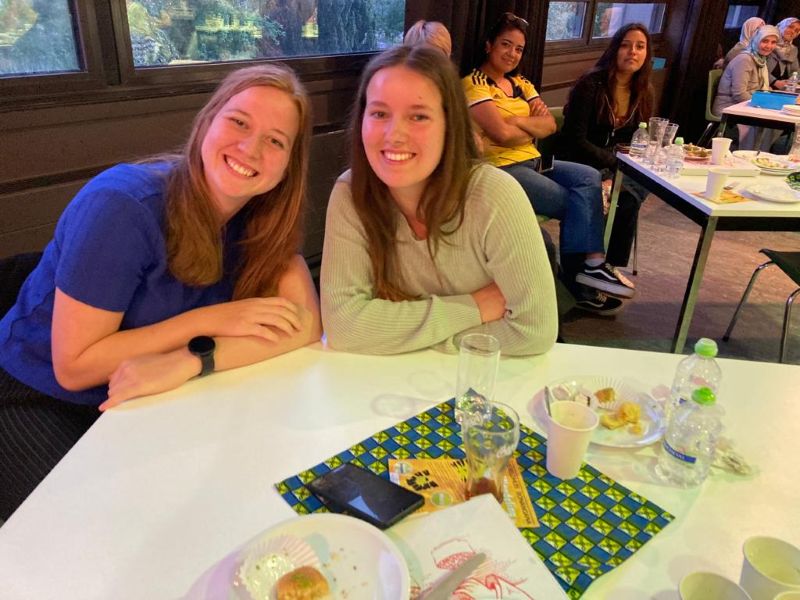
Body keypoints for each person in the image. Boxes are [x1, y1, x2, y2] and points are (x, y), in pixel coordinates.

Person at [0, 64, 322, 519]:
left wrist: (193, 360)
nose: (251, 148)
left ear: (289, 164)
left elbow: (303, 327)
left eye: (275, 141)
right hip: (37, 394)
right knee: (101, 530)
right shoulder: (122, 206)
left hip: (147, 397)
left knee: (231, 500)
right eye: (239, 122)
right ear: (207, 121)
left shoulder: (258, 219)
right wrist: (206, 323)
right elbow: (74, 367)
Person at [320, 45, 558, 355]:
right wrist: (475, 306)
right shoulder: (351, 193)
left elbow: (534, 330)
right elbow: (344, 326)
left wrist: (402, 336)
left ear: (450, 125)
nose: (394, 135)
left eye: (418, 116)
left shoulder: (494, 196)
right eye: (379, 113)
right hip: (395, 379)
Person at [462, 12, 635, 314]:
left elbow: (550, 126)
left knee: (588, 177)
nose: (512, 53)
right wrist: (527, 126)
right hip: (503, 169)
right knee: (576, 203)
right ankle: (578, 281)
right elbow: (500, 134)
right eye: (506, 44)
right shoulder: (473, 83)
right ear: (489, 45)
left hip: (535, 161)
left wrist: (515, 121)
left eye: (519, 49)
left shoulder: (521, 82)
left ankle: (592, 266)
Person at [559, 23, 654, 273]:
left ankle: (609, 267)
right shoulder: (591, 84)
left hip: (617, 166)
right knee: (619, 198)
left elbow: (635, 142)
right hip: (582, 160)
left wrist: (616, 173)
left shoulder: (644, 92)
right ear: (614, 50)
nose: (632, 52)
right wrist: (613, 167)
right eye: (626, 45)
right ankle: (584, 268)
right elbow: (574, 139)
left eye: (640, 47)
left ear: (646, 54)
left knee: (634, 192)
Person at [714, 25, 781, 150]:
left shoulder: (760, 59)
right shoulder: (744, 59)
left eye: (773, 42)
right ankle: (750, 154)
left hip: (747, 105)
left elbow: (761, 89)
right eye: (765, 41)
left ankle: (758, 154)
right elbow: (739, 94)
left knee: (777, 123)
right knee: (771, 123)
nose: (769, 46)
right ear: (756, 40)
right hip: (730, 106)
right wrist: (762, 105)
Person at [768, 17, 800, 89]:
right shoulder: (767, 44)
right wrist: (775, 82)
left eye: (796, 31)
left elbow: (796, 71)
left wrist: (791, 81)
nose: (793, 32)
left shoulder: (793, 49)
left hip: (783, 88)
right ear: (781, 26)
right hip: (764, 85)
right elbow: (759, 69)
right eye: (790, 27)